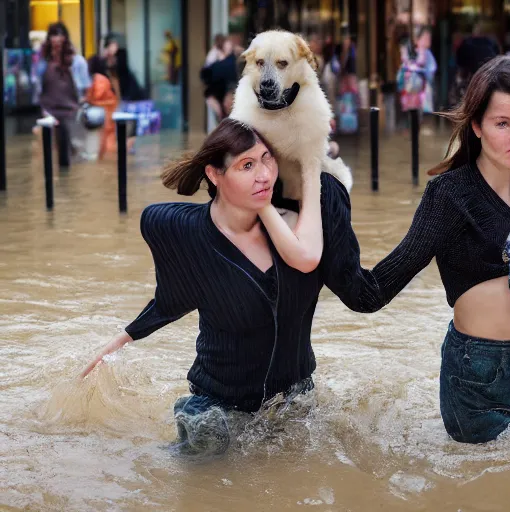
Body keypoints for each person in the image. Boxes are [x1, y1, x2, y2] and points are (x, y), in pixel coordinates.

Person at [331, 56, 510, 443]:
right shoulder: (449, 194)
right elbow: (373, 293)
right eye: (502, 123)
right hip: (478, 376)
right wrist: (325, 233)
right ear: (476, 125)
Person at [80, 119, 378, 456]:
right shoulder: (186, 232)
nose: (264, 174)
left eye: (268, 159)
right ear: (214, 175)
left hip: (295, 402)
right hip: (214, 408)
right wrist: (123, 339)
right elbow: (173, 297)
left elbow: (358, 285)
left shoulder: (303, 229)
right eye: (246, 165)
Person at [34, 22, 92, 165]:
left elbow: (86, 90)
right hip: (49, 115)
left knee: (75, 158)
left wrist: (80, 110)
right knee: (48, 160)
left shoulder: (77, 62)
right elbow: (37, 89)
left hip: (71, 113)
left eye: (60, 35)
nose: (57, 39)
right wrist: (43, 112)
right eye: (54, 35)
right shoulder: (42, 63)